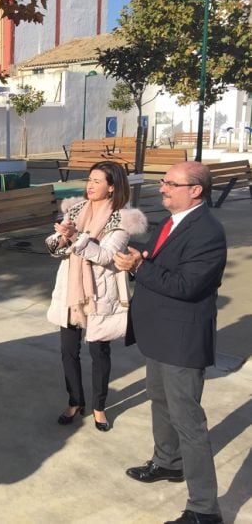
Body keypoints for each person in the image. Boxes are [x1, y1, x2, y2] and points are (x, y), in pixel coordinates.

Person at [114, 162, 226, 524]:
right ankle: (168, 462)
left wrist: (139, 268)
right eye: (163, 182)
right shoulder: (172, 221)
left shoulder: (207, 231)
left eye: (171, 184)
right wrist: (136, 253)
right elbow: (159, 255)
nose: (162, 188)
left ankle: (204, 509)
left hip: (182, 338)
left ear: (196, 190)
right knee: (160, 402)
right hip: (159, 333)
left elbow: (187, 285)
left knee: (188, 421)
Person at [46, 161, 146, 431]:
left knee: (99, 352)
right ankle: (74, 401)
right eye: (89, 180)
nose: (90, 186)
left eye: (97, 181)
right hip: (70, 290)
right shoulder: (76, 209)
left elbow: (104, 256)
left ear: (112, 187)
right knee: (68, 351)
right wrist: (62, 239)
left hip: (100, 292)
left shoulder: (122, 219)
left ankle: (99, 407)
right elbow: (55, 246)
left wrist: (76, 237)